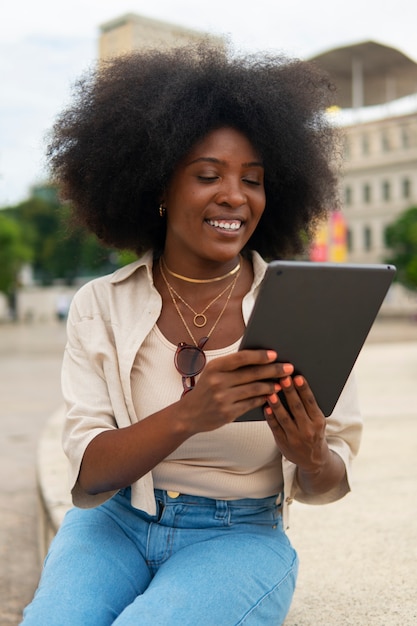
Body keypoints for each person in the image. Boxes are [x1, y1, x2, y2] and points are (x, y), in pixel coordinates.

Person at [22, 42, 362, 625]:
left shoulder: (309, 309)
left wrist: (310, 455)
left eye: (253, 180)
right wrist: (191, 413)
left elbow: (329, 484)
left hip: (238, 539)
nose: (235, 195)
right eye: (209, 175)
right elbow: (87, 477)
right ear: (157, 188)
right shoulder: (101, 305)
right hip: (113, 526)